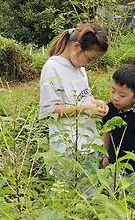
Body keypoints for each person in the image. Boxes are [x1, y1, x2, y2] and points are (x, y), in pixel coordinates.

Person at [39, 23, 109, 157]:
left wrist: (96, 103)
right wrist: (85, 109)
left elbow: (83, 95)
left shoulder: (79, 68)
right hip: (66, 147)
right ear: (76, 46)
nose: (90, 64)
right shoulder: (52, 67)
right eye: (90, 59)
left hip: (88, 143)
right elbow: (49, 110)